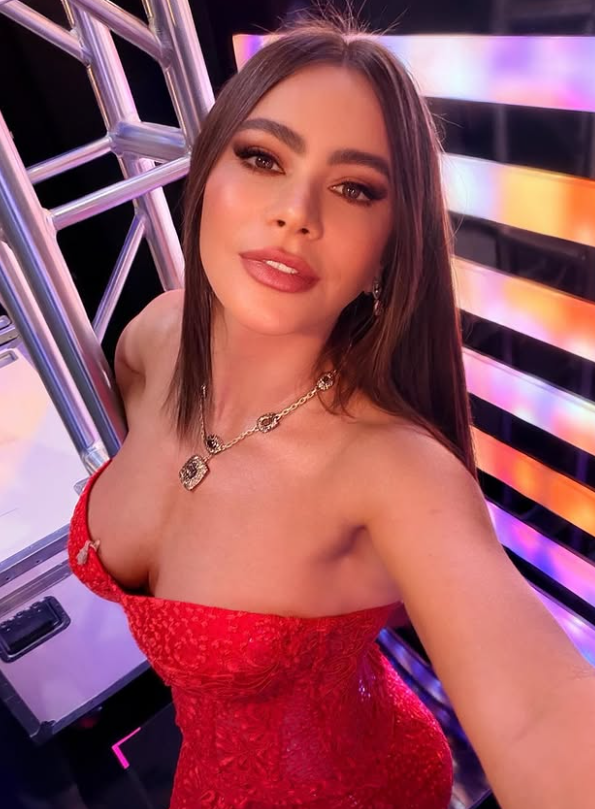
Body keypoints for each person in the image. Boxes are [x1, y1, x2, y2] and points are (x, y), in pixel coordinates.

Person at [67, 10, 595, 809]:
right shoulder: (150, 340)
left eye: (354, 188)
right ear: (206, 173)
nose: (296, 211)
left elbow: (539, 716)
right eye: (261, 156)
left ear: (389, 247)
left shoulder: (393, 468)